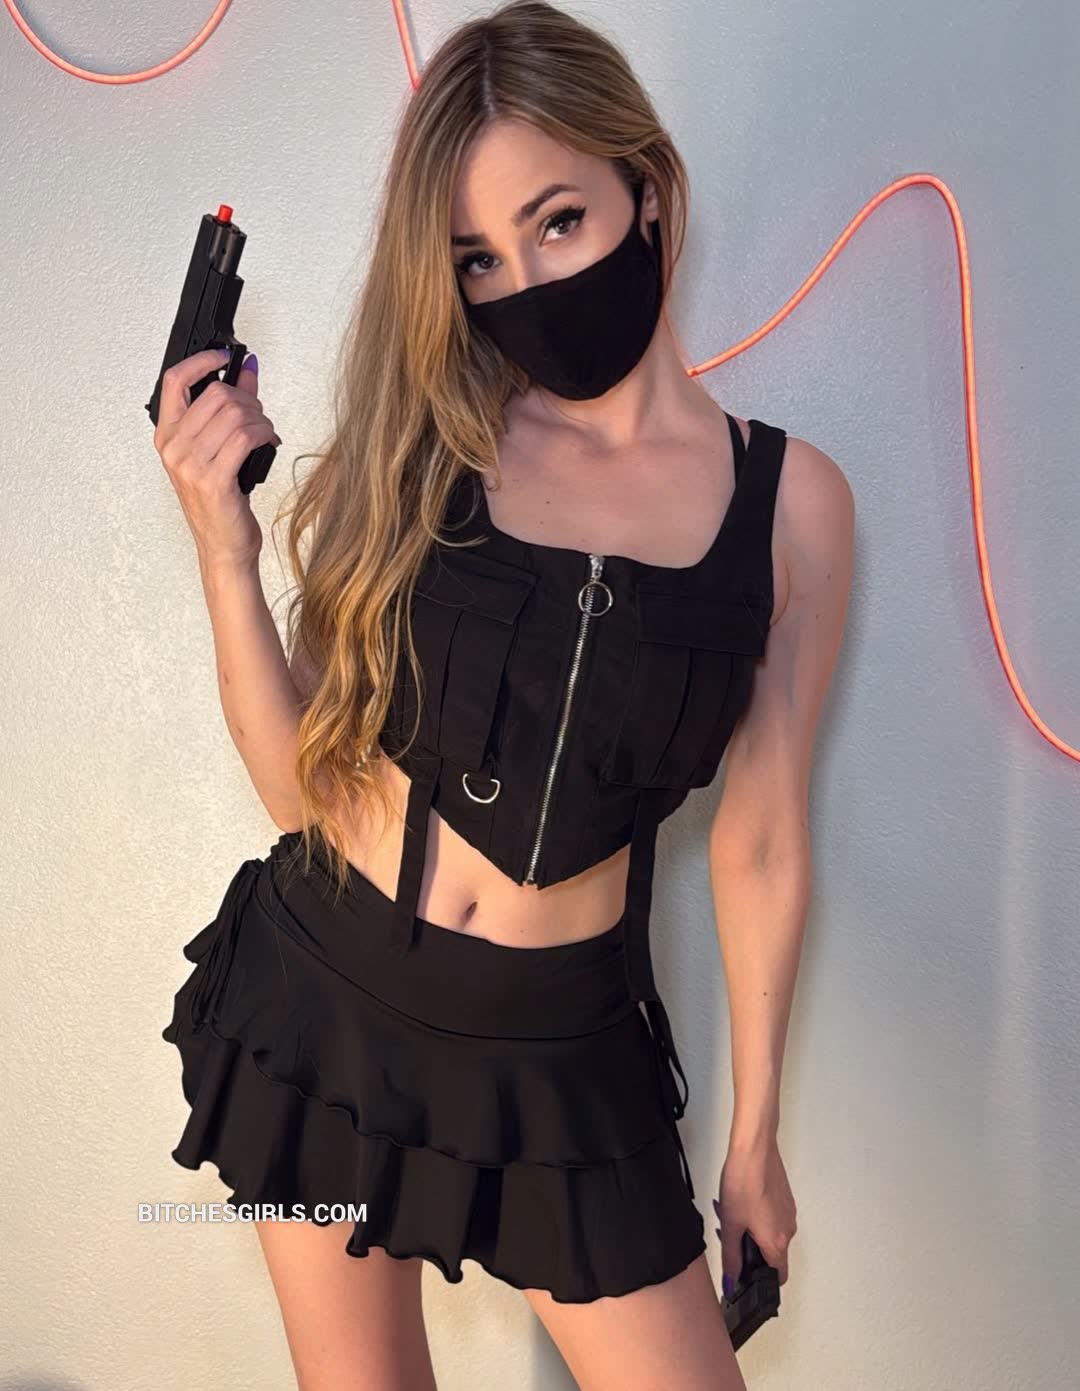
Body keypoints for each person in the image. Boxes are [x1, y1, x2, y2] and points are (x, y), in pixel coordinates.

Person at [154, 3, 854, 1387]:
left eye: (558, 223)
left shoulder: (792, 506)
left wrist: (755, 1138)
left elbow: (765, 840)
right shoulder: (433, 444)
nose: (525, 284)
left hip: (563, 1062)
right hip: (324, 1002)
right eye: (479, 258)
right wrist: (222, 546)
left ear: (645, 190)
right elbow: (300, 794)